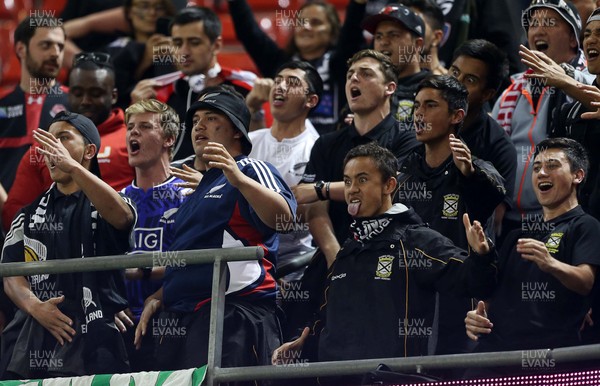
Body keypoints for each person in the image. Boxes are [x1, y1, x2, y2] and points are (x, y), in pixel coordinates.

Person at [272, 142, 497, 380]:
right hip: (335, 378)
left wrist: (482, 254)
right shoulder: (348, 248)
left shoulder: (416, 240)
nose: (352, 190)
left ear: (389, 185)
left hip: (393, 379)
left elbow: (471, 280)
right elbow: (328, 319)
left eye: (362, 180)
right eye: (347, 181)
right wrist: (304, 342)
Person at [134, 87, 297, 371]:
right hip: (183, 316)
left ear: (236, 130)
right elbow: (192, 254)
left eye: (211, 118)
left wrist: (238, 179)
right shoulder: (201, 187)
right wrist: (158, 296)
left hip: (234, 313)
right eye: (196, 120)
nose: (199, 126)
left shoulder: (250, 169)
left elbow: (283, 219)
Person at [0, 111, 136, 379]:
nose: (52, 148)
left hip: (98, 333)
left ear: (89, 150)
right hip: (36, 332)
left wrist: (72, 166)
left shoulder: (111, 202)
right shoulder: (27, 215)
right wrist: (36, 308)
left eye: (62, 139)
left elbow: (123, 218)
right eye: (48, 141)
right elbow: (11, 273)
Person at [464, 137, 600, 377]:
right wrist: (477, 315)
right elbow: (488, 298)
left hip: (549, 362)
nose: (541, 173)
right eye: (536, 168)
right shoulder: (516, 234)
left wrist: (551, 264)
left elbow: (586, 280)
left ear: (578, 176)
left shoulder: (585, 226)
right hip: (495, 358)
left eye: (553, 165)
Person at [397, 75, 506, 356]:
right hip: (407, 296)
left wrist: (468, 173)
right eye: (417, 105)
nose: (419, 114)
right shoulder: (402, 172)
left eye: (430, 105)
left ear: (457, 116)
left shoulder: (476, 169)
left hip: (459, 301)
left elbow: (494, 194)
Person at [493, 0, 593, 240]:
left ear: (573, 39)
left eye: (550, 22)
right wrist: (496, 201)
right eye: (532, 24)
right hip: (511, 222)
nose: (538, 30)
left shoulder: (587, 83)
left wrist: (564, 76)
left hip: (565, 222)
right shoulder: (512, 90)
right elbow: (494, 151)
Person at [3, 52, 134, 232]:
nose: (85, 101)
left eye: (95, 93)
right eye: (78, 93)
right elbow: (14, 211)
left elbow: (142, 202)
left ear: (113, 95)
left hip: (113, 243)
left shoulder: (133, 137)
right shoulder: (45, 145)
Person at [130, 6, 260, 160]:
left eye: (194, 42)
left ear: (216, 45)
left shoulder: (246, 88)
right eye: (178, 43)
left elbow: (260, 148)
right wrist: (139, 114)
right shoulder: (156, 92)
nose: (184, 52)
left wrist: (256, 110)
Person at [119, 99, 189, 371]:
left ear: (169, 139)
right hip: (123, 321)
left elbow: (195, 262)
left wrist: (156, 289)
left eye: (145, 127)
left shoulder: (188, 195)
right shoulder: (117, 200)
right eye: (130, 127)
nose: (133, 133)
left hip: (172, 318)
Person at [228, 0, 366, 135]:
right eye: (301, 22)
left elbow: (352, 33)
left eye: (316, 22)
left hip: (334, 150)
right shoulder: (280, 64)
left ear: (333, 31)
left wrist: (357, 4)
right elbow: (249, 33)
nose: (306, 27)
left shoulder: (343, 63)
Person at [247, 61, 322, 282]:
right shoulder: (251, 140)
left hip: (292, 267)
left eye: (292, 83)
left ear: (311, 100)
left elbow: (304, 214)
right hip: (245, 260)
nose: (280, 87)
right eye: (278, 80)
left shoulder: (315, 149)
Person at [449, 39, 517, 235]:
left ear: (487, 94)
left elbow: (494, 222)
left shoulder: (500, 148)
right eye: (454, 72)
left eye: (470, 80)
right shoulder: (420, 124)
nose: (455, 84)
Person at [0, 16, 69, 193]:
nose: (55, 53)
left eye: (60, 47)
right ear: (21, 49)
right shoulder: (2, 104)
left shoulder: (77, 103)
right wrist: (6, 208)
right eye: (46, 45)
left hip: (62, 214)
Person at [361, 3, 430, 124]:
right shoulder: (364, 87)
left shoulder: (434, 91)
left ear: (417, 45)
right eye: (378, 36)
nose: (384, 42)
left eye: (394, 35)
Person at [399, 0, 447, 75]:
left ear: (436, 37)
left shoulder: (447, 84)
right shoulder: (389, 78)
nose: (406, 35)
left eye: (415, 27)